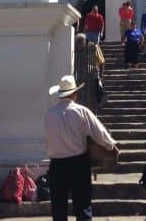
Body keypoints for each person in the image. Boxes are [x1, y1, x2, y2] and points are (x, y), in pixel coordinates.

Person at [44, 74, 117, 221]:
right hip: (78, 164)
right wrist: (110, 146)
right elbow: (99, 132)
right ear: (74, 94)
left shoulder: (49, 114)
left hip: (56, 165)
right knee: (83, 205)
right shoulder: (81, 111)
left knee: (58, 209)